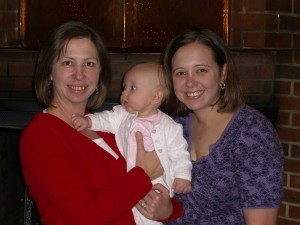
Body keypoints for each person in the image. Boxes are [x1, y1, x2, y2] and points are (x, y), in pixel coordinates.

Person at [19, 21, 183, 225]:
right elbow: (87, 216)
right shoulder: (41, 136)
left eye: (89, 64)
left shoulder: (110, 126)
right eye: (67, 63)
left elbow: (153, 190)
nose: (79, 75)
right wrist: (142, 175)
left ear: (99, 73)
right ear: (50, 72)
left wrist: (167, 209)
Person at [161, 28, 284, 225]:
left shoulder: (251, 132)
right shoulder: (173, 125)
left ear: (223, 73)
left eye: (201, 70)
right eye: (180, 72)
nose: (190, 82)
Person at [71, 62, 192, 225]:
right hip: (130, 179)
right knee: (133, 213)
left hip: (158, 181)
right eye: (124, 87)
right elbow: (105, 119)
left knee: (149, 214)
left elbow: (179, 151)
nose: (124, 94)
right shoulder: (122, 115)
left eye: (132, 88)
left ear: (155, 97)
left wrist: (183, 175)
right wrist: (88, 120)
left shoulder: (169, 126)